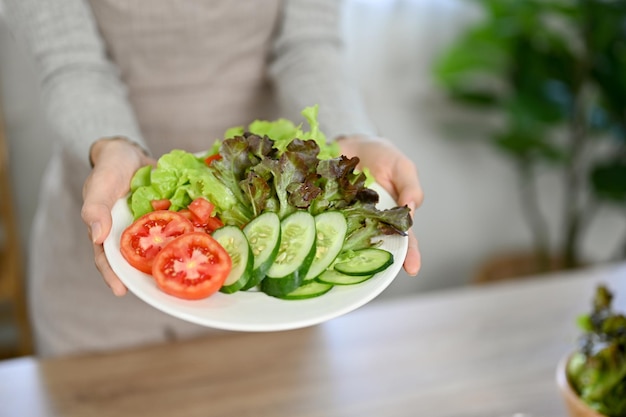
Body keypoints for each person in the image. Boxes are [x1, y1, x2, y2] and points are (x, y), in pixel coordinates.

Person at [4, 0, 423, 357]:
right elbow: (71, 63)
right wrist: (113, 145)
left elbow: (307, 45)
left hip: (267, 285)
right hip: (112, 237)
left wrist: (351, 135)